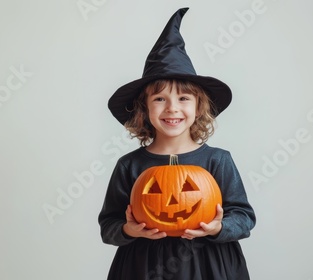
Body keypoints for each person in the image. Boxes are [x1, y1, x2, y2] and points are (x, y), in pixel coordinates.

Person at [98, 7, 256, 280]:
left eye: (183, 99)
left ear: (199, 107)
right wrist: (128, 230)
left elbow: (244, 218)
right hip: (144, 266)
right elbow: (108, 225)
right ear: (144, 108)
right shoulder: (130, 165)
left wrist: (219, 227)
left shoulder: (218, 160)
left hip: (210, 265)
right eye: (159, 99)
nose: (172, 108)